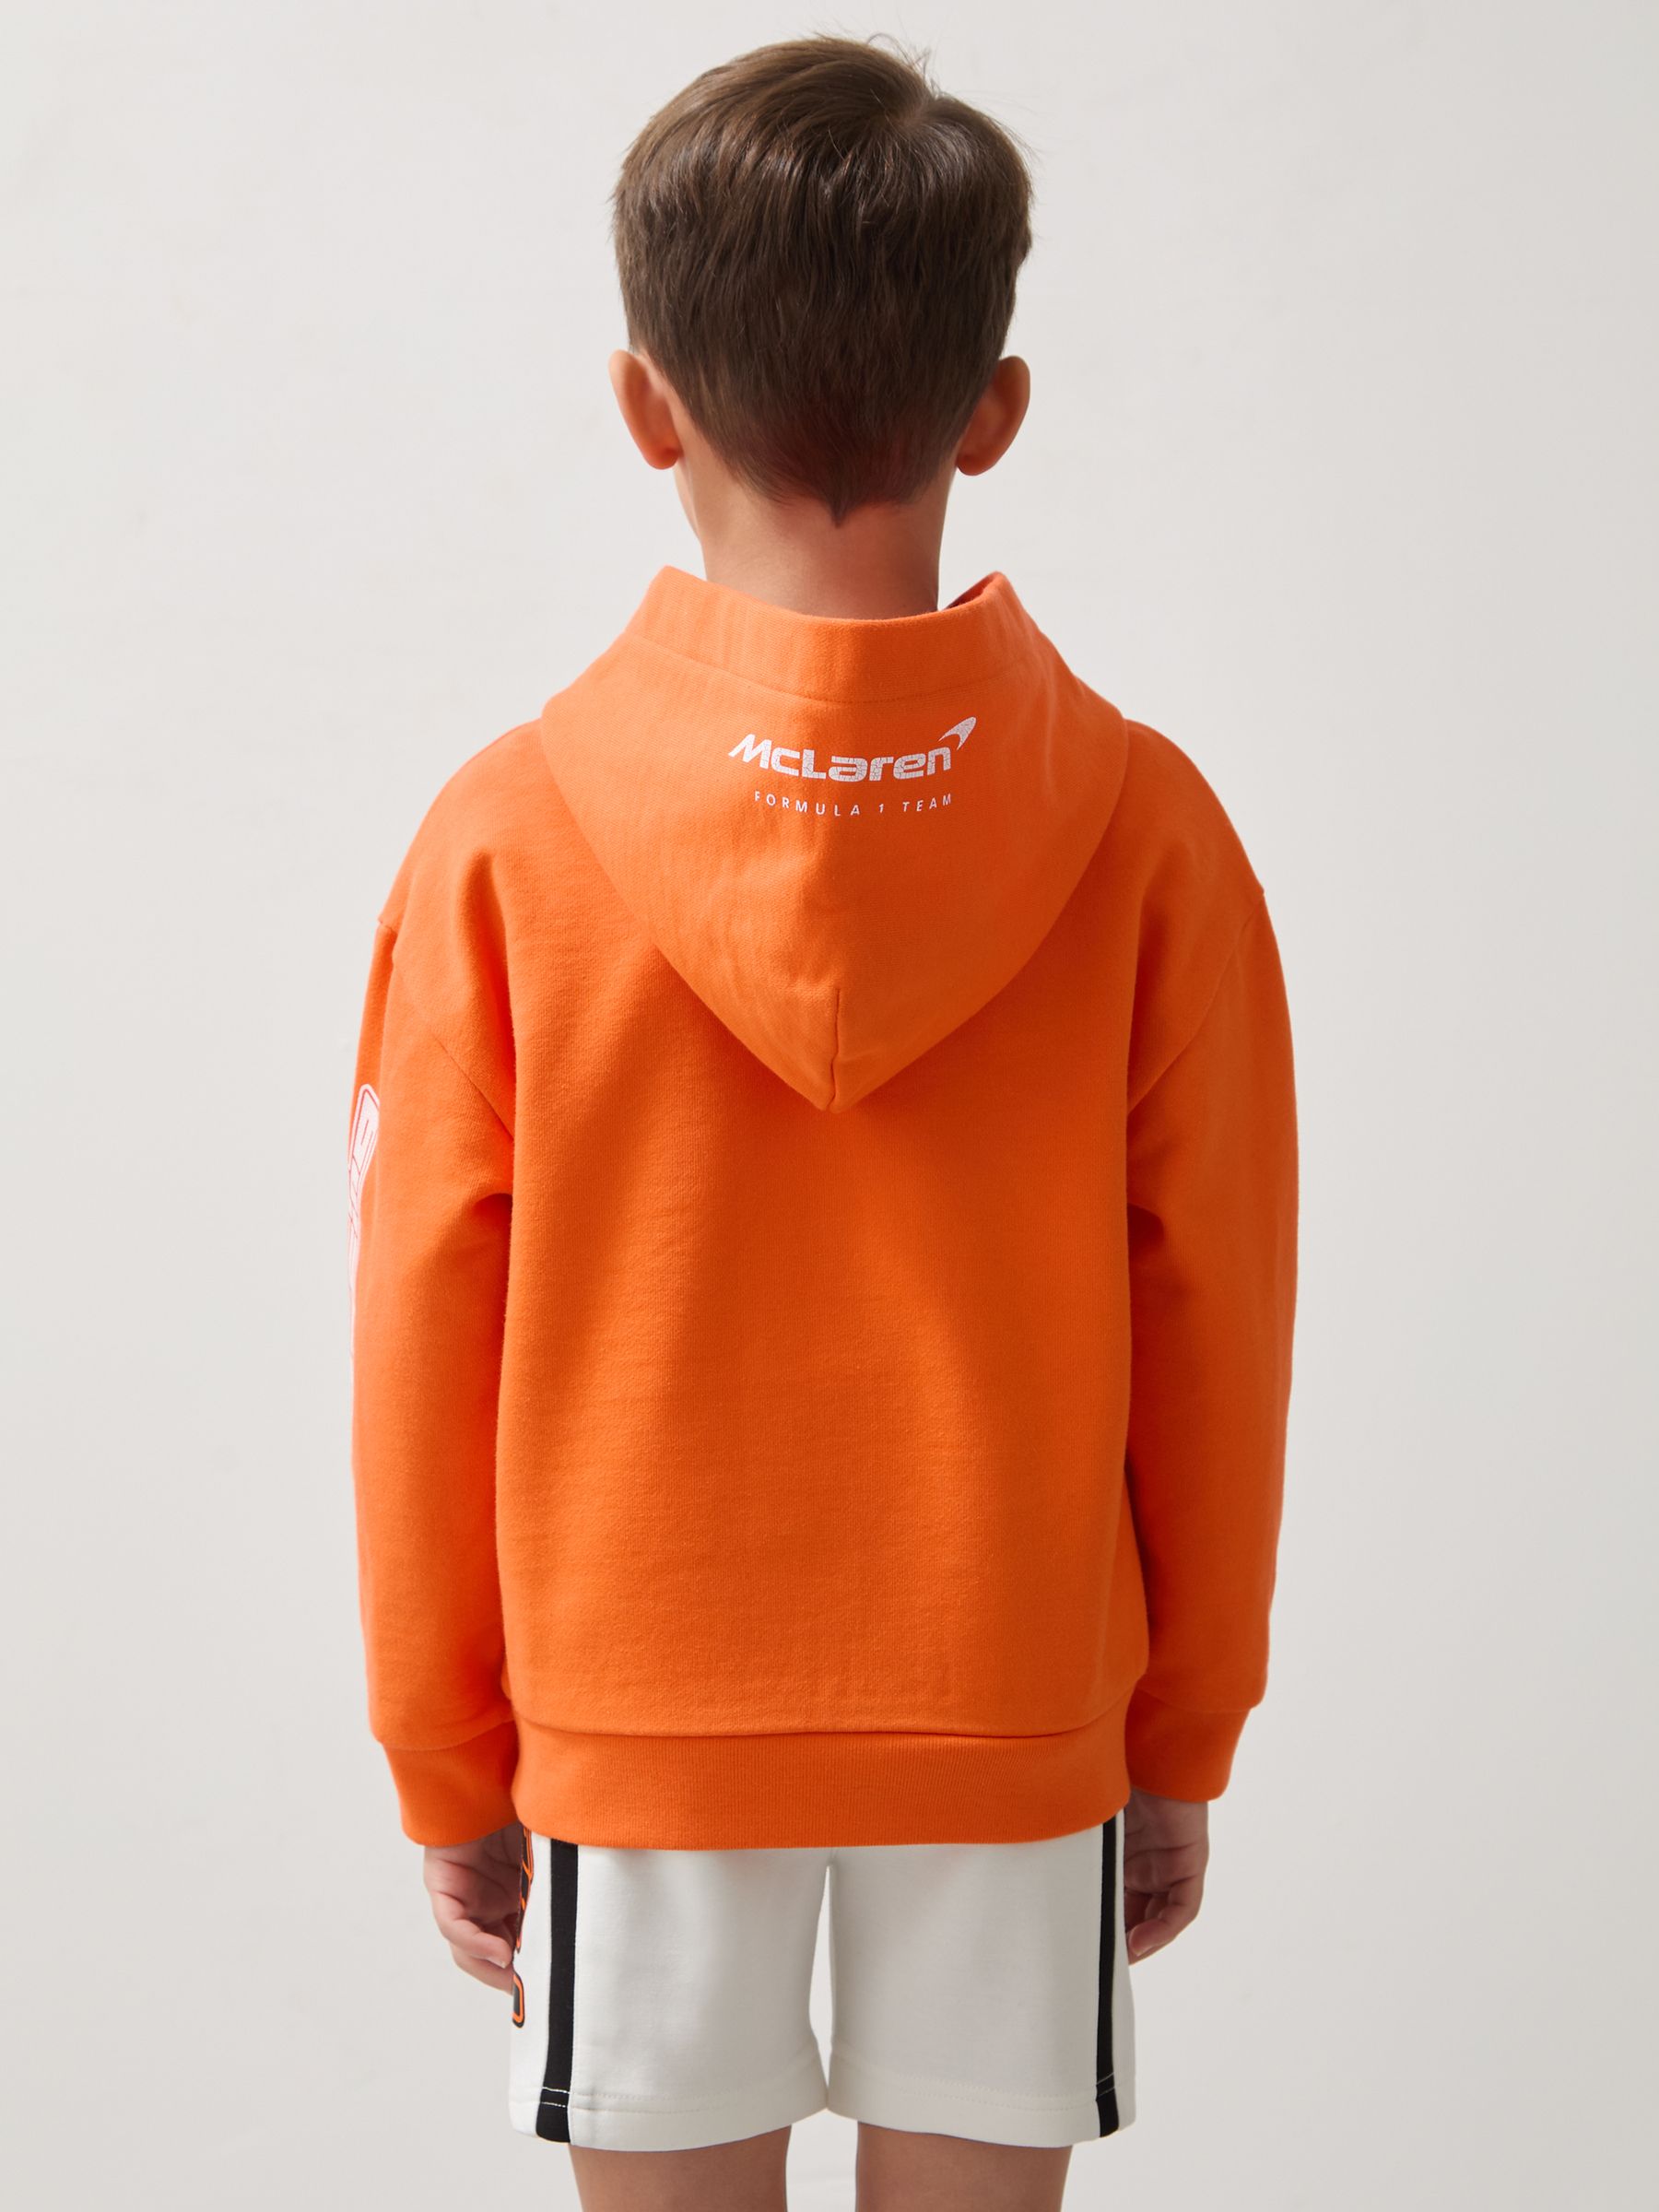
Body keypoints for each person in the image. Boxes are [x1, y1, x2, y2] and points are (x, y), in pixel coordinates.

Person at [347, 31, 1299, 2212]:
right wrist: (1179, 1731)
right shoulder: (1147, 833)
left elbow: (417, 1324)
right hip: (1014, 1699)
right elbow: (1221, 1309)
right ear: (994, 409)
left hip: (637, 1716)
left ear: (643, 405)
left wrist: (444, 1752)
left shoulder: (503, 842)